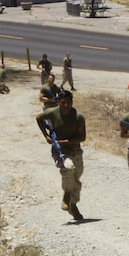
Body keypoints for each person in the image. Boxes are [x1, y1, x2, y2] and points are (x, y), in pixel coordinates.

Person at [36, 90, 86, 221]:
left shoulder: (78, 116)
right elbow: (38, 118)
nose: (66, 106)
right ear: (58, 102)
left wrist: (66, 141)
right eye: (63, 103)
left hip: (75, 149)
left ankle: (73, 205)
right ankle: (67, 195)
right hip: (60, 151)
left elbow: (82, 137)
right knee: (68, 169)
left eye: (68, 103)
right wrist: (46, 136)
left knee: (76, 178)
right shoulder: (52, 112)